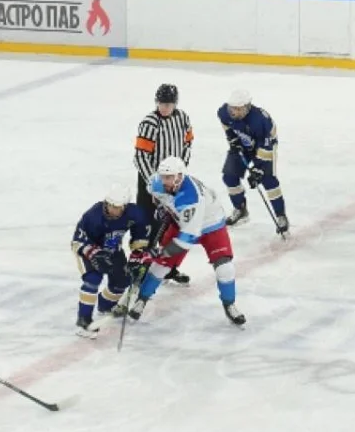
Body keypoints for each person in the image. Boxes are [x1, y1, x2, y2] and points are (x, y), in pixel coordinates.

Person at [127, 157, 244, 325]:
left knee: (225, 268)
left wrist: (160, 252)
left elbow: (186, 240)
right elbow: (156, 196)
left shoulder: (191, 198)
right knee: (160, 266)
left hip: (210, 225)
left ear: (180, 177)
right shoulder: (156, 182)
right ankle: (142, 299)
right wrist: (162, 208)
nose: (164, 181)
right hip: (181, 222)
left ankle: (229, 304)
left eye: (169, 177)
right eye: (163, 176)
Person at [70, 186, 150, 337]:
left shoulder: (135, 213)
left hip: (113, 249)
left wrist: (138, 255)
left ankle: (105, 304)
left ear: (125, 206)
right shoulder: (93, 215)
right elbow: (77, 241)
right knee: (92, 280)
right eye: (110, 205)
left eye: (117, 207)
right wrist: (94, 254)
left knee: (122, 280)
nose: (113, 209)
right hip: (89, 250)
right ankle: (83, 319)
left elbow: (140, 235)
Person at [133, 84, 193, 285]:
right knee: (148, 224)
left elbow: (188, 143)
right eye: (161, 103)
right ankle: (140, 267)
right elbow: (140, 157)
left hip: (174, 181)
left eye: (168, 104)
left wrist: (179, 171)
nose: (164, 107)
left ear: (175, 103)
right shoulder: (150, 123)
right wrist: (154, 182)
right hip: (151, 181)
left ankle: (167, 267)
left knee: (171, 227)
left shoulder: (182, 118)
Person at [219, 89, 288, 233]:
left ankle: (281, 215)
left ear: (247, 107)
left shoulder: (260, 120)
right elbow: (226, 124)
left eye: (238, 109)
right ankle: (240, 209)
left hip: (264, 147)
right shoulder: (224, 112)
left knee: (268, 180)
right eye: (232, 108)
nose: (234, 112)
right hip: (243, 144)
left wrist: (259, 168)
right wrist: (232, 138)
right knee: (229, 176)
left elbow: (267, 146)